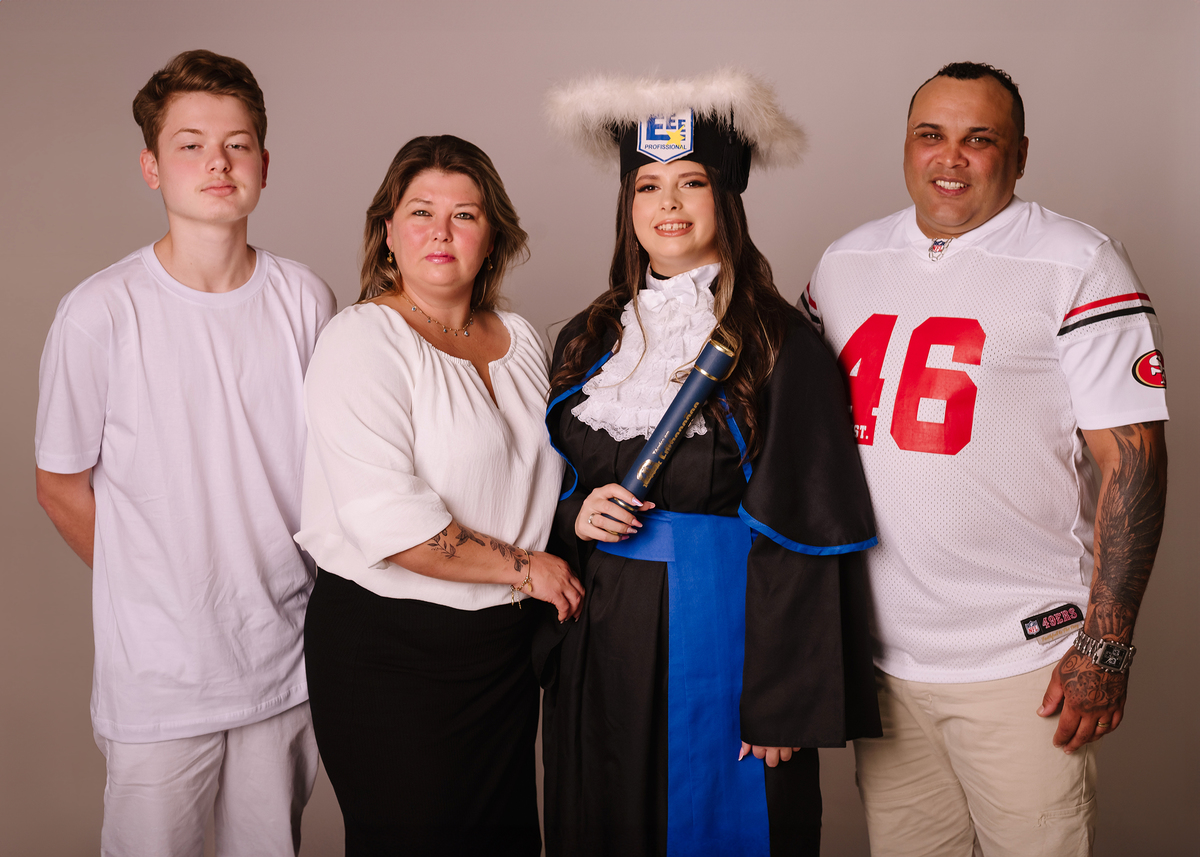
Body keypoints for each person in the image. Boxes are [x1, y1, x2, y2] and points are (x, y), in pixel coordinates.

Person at [802, 62, 1169, 856]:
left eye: (980, 139)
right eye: (930, 135)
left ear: (1021, 154)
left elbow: (1133, 461)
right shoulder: (845, 261)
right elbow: (795, 429)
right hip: (884, 659)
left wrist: (1106, 645)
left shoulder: (1078, 261)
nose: (951, 158)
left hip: (1024, 660)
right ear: (906, 145)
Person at [538, 69, 882, 857]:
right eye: (648, 185)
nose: (668, 204)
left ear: (725, 197)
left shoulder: (780, 343)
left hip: (727, 633)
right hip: (602, 637)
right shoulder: (590, 338)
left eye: (691, 181)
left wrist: (784, 699)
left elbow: (805, 531)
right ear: (627, 204)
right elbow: (543, 481)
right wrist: (574, 514)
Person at [34, 50, 335, 856]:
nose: (217, 163)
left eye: (237, 145)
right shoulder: (100, 312)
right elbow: (59, 485)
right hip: (160, 676)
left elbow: (326, 468)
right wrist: (152, 584)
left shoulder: (304, 299)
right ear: (152, 167)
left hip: (283, 658)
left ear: (264, 165)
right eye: (191, 145)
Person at [294, 134, 581, 857]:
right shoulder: (361, 340)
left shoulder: (521, 340)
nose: (441, 232)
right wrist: (527, 568)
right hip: (391, 652)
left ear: (494, 236)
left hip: (504, 652)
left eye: (465, 215)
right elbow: (394, 525)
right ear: (388, 232)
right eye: (421, 212)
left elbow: (551, 476)